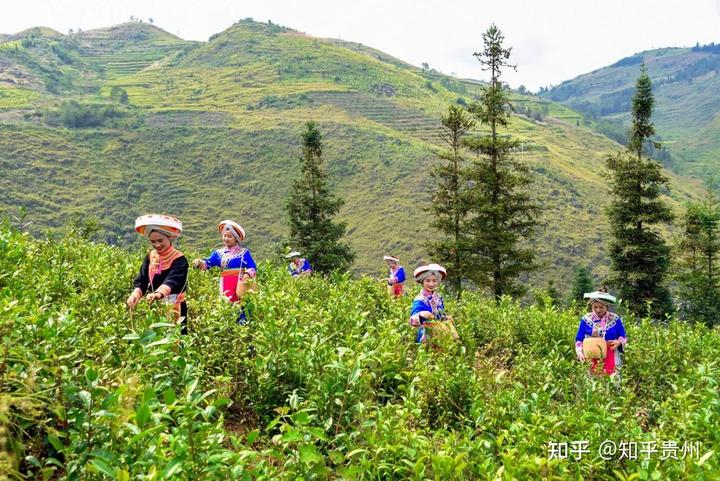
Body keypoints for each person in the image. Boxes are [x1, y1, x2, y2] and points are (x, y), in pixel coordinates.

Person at [126, 214, 189, 334]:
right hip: (154, 304)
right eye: (153, 241)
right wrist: (135, 294)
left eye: (160, 240)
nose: (157, 245)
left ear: (169, 238)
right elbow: (142, 279)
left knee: (175, 337)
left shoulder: (179, 259)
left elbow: (173, 280)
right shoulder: (150, 256)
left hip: (174, 305)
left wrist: (158, 294)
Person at [192, 220, 257, 324]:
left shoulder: (244, 253)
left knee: (242, 303)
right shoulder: (218, 253)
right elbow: (208, 263)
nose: (226, 238)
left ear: (236, 239)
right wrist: (199, 263)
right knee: (227, 304)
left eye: (229, 236)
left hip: (240, 283)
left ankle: (244, 324)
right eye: (224, 236)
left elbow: (252, 266)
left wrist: (247, 274)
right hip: (226, 283)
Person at [575, 287, 627, 377]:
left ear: (606, 307)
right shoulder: (586, 319)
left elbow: (623, 336)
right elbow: (579, 339)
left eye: (601, 307)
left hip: (611, 355)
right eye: (595, 307)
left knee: (612, 380)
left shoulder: (615, 319)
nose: (598, 310)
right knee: (592, 382)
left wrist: (619, 342)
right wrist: (580, 353)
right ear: (591, 306)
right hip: (591, 354)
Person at [409, 263, 458, 344]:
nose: (431, 284)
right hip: (427, 333)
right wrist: (420, 314)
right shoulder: (420, 300)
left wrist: (445, 318)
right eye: (428, 281)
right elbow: (413, 320)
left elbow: (440, 313)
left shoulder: (438, 297)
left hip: (441, 330)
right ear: (422, 281)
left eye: (434, 281)